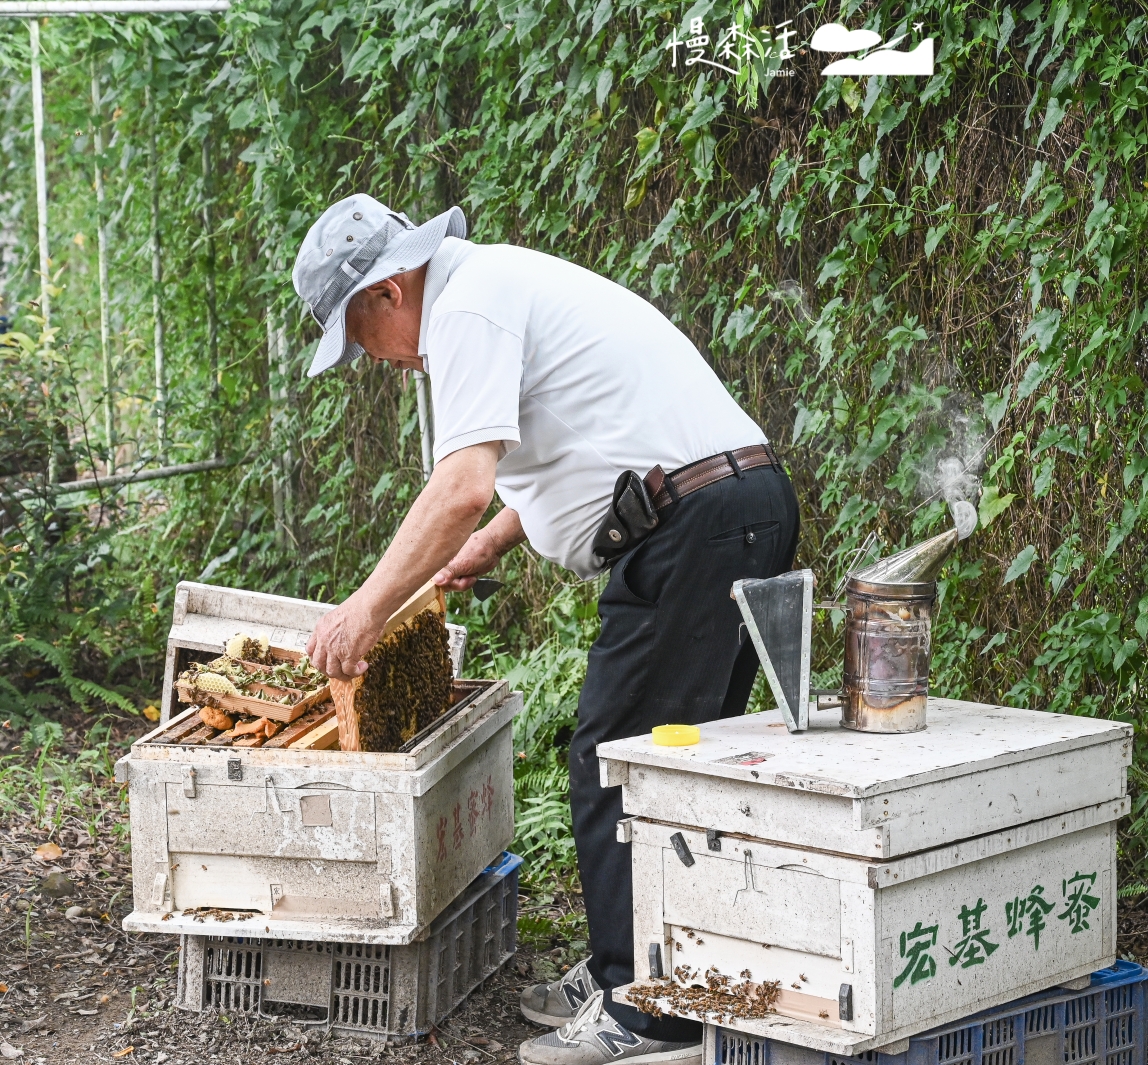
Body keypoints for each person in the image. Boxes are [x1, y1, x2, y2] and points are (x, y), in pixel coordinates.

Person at [295, 194, 800, 1065]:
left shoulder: (467, 307)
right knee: (679, 762)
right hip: (729, 507)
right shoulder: (490, 285)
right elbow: (580, 438)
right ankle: (654, 964)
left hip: (694, 528)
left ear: (385, 291)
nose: (372, 361)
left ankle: (647, 1014)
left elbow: (459, 483)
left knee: (615, 757)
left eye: (356, 334)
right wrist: (493, 540)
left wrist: (365, 608)